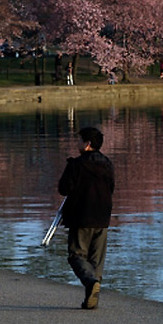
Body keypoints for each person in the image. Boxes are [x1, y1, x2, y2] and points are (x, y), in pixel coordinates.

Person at [58, 127, 115, 310]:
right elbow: (111, 187)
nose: (77, 144)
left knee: (76, 255)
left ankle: (90, 283)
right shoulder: (107, 164)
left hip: (81, 216)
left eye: (79, 140)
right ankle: (92, 296)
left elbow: (63, 189)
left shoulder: (76, 165)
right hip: (102, 217)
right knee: (96, 260)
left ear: (87, 144)